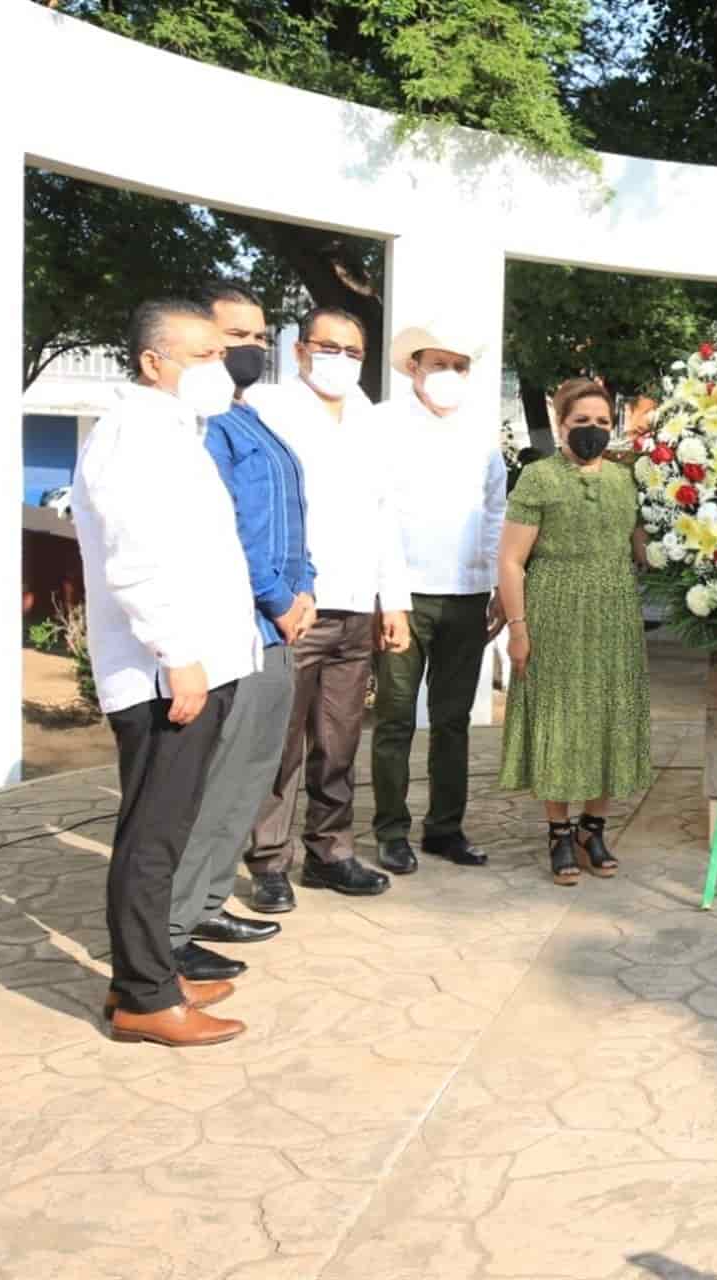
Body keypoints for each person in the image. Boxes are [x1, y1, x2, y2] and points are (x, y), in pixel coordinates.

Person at [74, 299, 262, 1046]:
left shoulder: (174, 431)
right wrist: (177, 659)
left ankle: (144, 975)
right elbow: (135, 560)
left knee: (167, 829)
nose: (223, 367)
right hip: (167, 673)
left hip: (198, 663)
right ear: (155, 361)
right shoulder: (131, 437)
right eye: (206, 354)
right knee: (151, 837)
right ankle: (147, 998)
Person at [160, 282, 315, 981]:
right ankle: (172, 922)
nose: (251, 349)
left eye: (260, 337)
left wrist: (304, 583)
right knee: (217, 781)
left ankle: (209, 898)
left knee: (251, 774)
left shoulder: (248, 416)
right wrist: (280, 597)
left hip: (277, 625)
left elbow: (288, 515)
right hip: (239, 624)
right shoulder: (202, 429)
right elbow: (227, 530)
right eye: (236, 339)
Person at [244, 308, 401, 905]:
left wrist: (396, 602)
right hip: (296, 608)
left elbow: (387, 516)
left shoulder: (372, 421)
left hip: (359, 605)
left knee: (339, 743)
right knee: (281, 744)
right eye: (328, 347)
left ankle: (330, 852)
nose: (340, 360)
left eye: (353, 351)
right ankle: (267, 862)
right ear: (301, 350)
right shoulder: (268, 410)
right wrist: (279, 595)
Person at [497, 379, 654, 883]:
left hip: (614, 613)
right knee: (558, 721)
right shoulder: (538, 479)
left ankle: (594, 826)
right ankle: (558, 831)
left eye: (603, 423)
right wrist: (517, 628)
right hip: (553, 610)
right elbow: (511, 560)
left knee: (607, 716)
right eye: (581, 422)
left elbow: (643, 552)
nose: (593, 431)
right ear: (560, 423)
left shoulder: (626, 479)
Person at [370, 325, 509, 875]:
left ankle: (445, 829)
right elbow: (377, 513)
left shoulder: (480, 437)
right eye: (437, 364)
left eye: (458, 365)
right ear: (413, 368)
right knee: (396, 719)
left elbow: (495, 509)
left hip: (467, 599)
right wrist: (391, 600)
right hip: (406, 599)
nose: (448, 375)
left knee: (454, 721)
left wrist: (495, 583)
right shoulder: (383, 426)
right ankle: (391, 832)